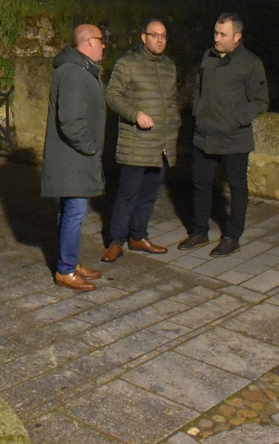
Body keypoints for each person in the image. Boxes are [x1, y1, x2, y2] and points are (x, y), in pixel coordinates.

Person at [179, 13, 269, 257]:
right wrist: (197, 110)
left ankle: (232, 237)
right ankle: (199, 231)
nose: (216, 38)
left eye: (223, 35)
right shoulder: (208, 56)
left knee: (237, 188)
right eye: (216, 33)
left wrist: (236, 121)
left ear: (237, 37)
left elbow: (260, 101)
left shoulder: (250, 63)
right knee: (200, 184)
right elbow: (198, 87)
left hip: (234, 138)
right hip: (204, 134)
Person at [101, 19, 180, 263]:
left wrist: (174, 120)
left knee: (149, 194)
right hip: (136, 142)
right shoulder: (128, 63)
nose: (160, 40)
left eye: (164, 36)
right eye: (154, 35)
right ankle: (116, 241)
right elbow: (112, 95)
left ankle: (138, 236)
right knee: (127, 194)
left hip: (161, 144)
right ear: (143, 37)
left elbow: (172, 100)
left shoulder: (168, 66)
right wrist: (136, 114)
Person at [41, 23, 108, 291]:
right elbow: (70, 122)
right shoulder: (73, 73)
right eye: (102, 41)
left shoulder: (79, 71)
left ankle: (69, 261)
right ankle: (65, 270)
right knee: (75, 211)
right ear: (89, 42)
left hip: (74, 158)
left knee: (71, 210)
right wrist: (91, 147)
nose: (104, 46)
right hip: (73, 158)